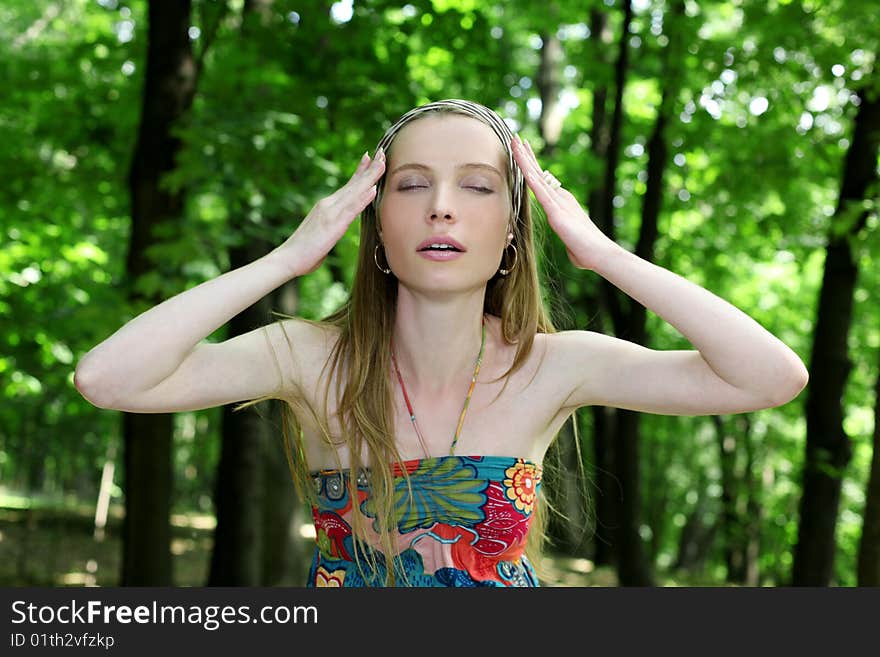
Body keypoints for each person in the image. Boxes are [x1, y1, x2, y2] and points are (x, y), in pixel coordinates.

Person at [74, 98, 809, 587]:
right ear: (376, 222)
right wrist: (283, 262)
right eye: (413, 184)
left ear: (514, 229)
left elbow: (770, 377)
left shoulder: (552, 365)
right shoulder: (308, 357)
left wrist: (603, 255)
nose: (443, 209)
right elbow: (108, 380)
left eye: (479, 187)